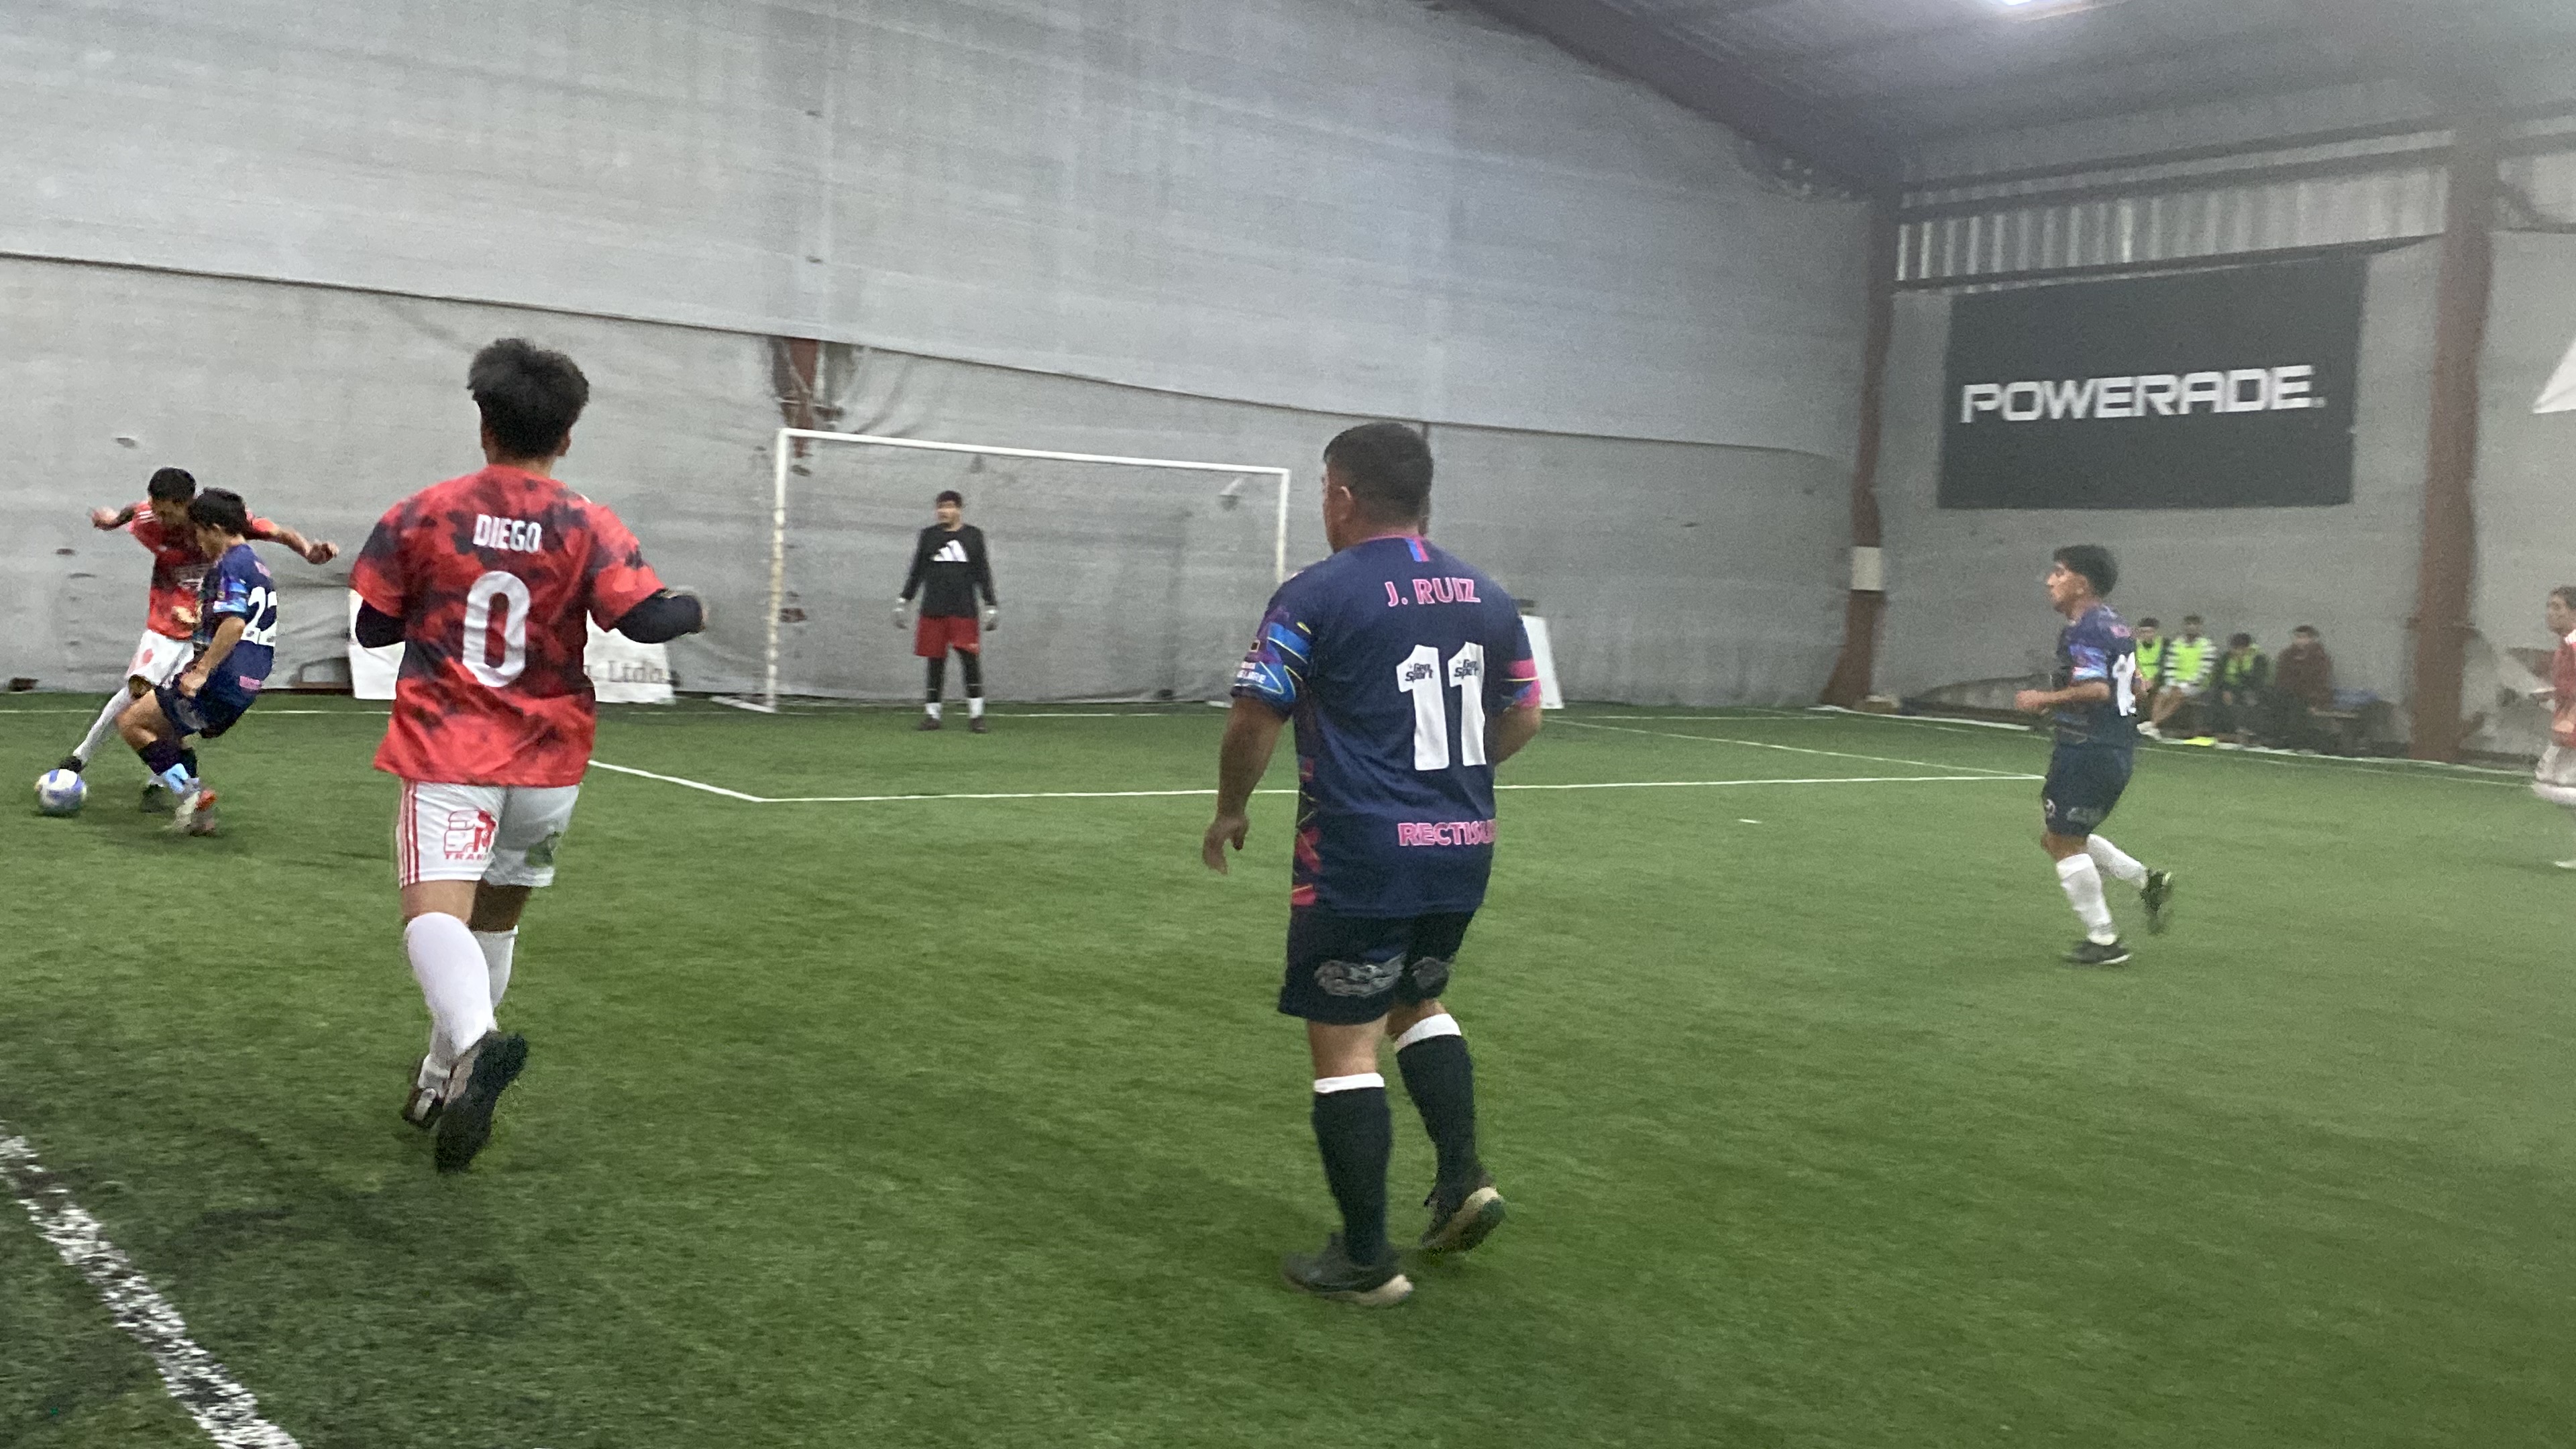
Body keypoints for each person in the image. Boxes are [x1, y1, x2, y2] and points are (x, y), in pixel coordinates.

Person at [1202, 423, 1543, 1307]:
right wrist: (1455, 784)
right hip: (1461, 848)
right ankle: (1463, 1177)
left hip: (1361, 854)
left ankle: (1365, 1260)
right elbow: (1525, 713)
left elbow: (1255, 715)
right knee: (1415, 1000)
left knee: (1344, 1042)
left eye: (1326, 489)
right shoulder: (1488, 595)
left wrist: (1232, 807)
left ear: (1344, 496)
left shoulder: (1316, 593)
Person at [350, 338, 704, 1174]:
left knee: (435, 918)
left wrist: (436, 608)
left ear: (484, 425)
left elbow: (373, 627)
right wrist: (696, 606)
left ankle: (476, 1043)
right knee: (495, 924)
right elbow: (647, 621)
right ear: (568, 434)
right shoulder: (588, 522)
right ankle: (437, 1080)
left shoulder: (424, 512)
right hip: (549, 761)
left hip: (450, 745)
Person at [54, 468, 334, 797]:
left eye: (168, 513)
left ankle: (181, 787)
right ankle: (92, 760)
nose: (161, 519)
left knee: (145, 717)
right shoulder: (162, 521)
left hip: (212, 639)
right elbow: (135, 510)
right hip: (189, 633)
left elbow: (238, 614)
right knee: (148, 700)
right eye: (156, 510)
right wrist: (114, 520)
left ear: (193, 510)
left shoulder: (226, 544)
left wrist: (308, 552)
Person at [2012, 546, 2176, 965]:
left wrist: (2043, 699)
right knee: (2059, 837)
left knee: (2064, 843)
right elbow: (2140, 686)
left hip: (2086, 749)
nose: (2050, 580)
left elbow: (2098, 689)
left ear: (2081, 584)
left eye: (2059, 573)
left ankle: (2104, 940)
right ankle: (2146, 881)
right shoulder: (2116, 625)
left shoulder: (2084, 630)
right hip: (2115, 748)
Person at [110, 490, 282, 836]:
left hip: (220, 677)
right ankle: (201, 817)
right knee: (170, 735)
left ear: (215, 529)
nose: (197, 541)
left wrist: (201, 671)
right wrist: (198, 621)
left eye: (199, 532)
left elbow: (235, 624)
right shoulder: (256, 565)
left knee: (132, 723)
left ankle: (191, 794)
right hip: (246, 682)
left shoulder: (230, 564)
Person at [895, 490, 997, 733]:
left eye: (949, 506)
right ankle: (933, 716)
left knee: (970, 661)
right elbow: (917, 570)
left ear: (959, 509)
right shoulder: (929, 536)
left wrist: (990, 604)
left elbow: (983, 572)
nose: (943, 511)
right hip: (933, 608)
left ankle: (976, 716)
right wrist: (904, 600)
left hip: (964, 609)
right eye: (940, 507)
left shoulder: (973, 536)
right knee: (935, 661)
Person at [2526, 588, 2576, 869]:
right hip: (2568, 720)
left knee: (2551, 785)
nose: (2550, 613)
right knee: (2553, 785)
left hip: (2572, 721)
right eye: (2549, 606)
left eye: (2558, 607)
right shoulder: (2566, 643)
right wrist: (2552, 693)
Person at [2148, 614, 2215, 737]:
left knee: (2177, 696)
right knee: (2161, 695)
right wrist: (2172, 683)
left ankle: (2152, 725)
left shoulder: (2207, 646)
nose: (2191, 628)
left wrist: (2184, 685)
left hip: (2197, 685)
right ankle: (2153, 727)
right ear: (2185, 626)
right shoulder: (2176, 644)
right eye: (2189, 625)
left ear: (2199, 627)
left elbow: (2205, 671)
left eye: (2194, 625)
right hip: (2175, 683)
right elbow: (2170, 665)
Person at [2271, 625, 2336, 749]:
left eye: (2304, 637)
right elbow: (2280, 678)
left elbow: (2321, 682)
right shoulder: (2286, 655)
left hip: (2308, 697)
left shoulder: (2319, 658)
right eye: (2298, 637)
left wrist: (2316, 703)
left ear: (2312, 639)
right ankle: (2278, 738)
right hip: (2287, 694)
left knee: (2297, 709)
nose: (2300, 641)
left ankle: (2296, 742)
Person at [2209, 633, 2271, 742]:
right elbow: (2217, 677)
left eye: (2241, 649)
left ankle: (2247, 732)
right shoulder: (2226, 657)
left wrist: (2240, 664)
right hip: (2228, 688)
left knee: (2249, 700)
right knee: (2213, 697)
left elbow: (2257, 681)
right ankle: (2218, 731)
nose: (2237, 652)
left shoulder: (2258, 658)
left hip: (2249, 689)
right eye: (2235, 649)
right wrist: (2225, 690)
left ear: (2248, 648)